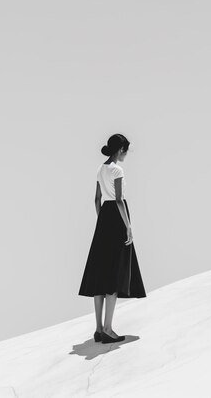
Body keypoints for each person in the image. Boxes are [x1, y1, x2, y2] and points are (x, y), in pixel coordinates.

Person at [78, 133, 147, 343]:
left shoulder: (100, 169)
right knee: (114, 274)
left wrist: (102, 222)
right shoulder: (117, 169)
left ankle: (99, 328)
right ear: (120, 150)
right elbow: (119, 200)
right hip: (116, 219)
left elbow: (97, 199)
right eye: (126, 150)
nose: (126, 154)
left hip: (104, 221)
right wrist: (127, 227)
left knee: (100, 274)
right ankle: (108, 328)